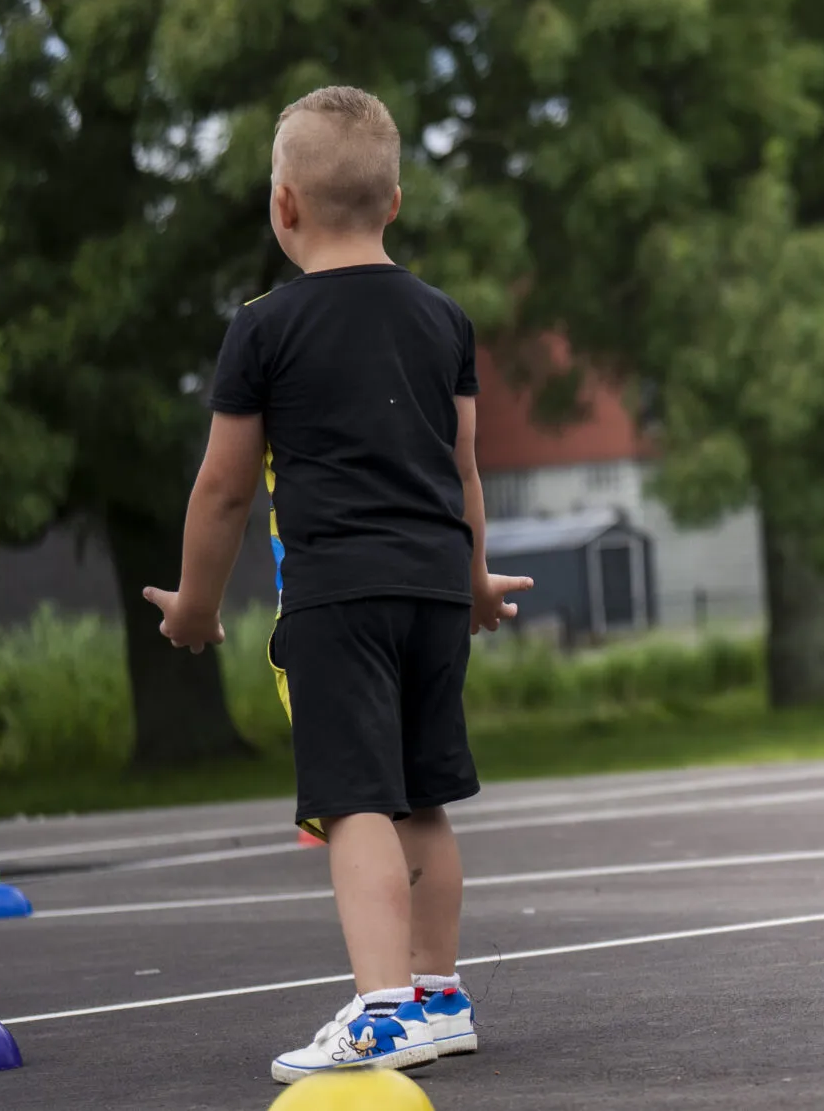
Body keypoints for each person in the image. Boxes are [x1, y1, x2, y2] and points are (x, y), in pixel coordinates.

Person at [143, 87, 531, 1082]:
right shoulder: (444, 319)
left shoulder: (265, 329)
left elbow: (225, 490)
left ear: (283, 207)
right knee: (426, 797)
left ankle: (384, 1011)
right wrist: (477, 580)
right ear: (395, 201)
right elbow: (465, 470)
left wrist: (193, 603)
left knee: (356, 800)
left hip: (338, 596)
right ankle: (439, 996)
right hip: (437, 590)